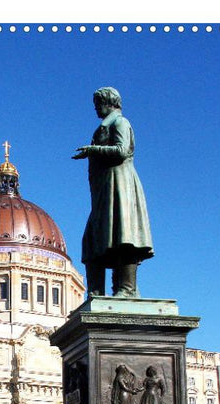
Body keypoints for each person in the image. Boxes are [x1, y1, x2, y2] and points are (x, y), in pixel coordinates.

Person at [73, 87, 154, 298]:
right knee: (91, 241)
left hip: (119, 184)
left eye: (97, 104)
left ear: (108, 102)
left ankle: (126, 289)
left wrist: (93, 150)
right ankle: (96, 292)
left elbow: (122, 150)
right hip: (104, 189)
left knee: (122, 233)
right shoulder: (104, 126)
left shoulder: (120, 122)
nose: (96, 109)